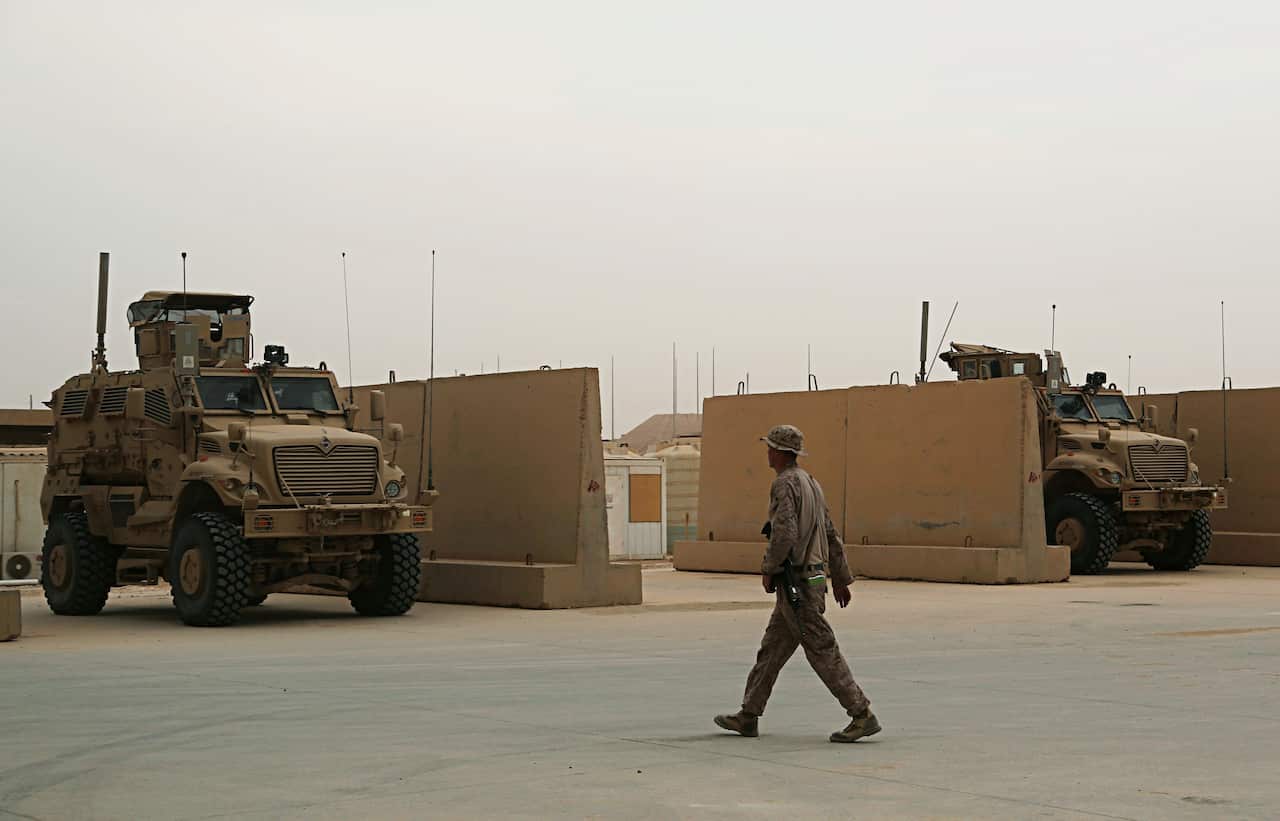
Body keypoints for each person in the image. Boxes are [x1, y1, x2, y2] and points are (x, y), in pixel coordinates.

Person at [714, 424, 880, 743]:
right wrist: (841, 577)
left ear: (778, 452)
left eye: (769, 447)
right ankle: (749, 714)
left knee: (821, 648)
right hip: (813, 577)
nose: (767, 452)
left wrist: (769, 567)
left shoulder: (785, 484)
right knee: (772, 650)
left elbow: (785, 533)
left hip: (798, 583)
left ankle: (861, 714)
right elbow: (830, 533)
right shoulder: (811, 483)